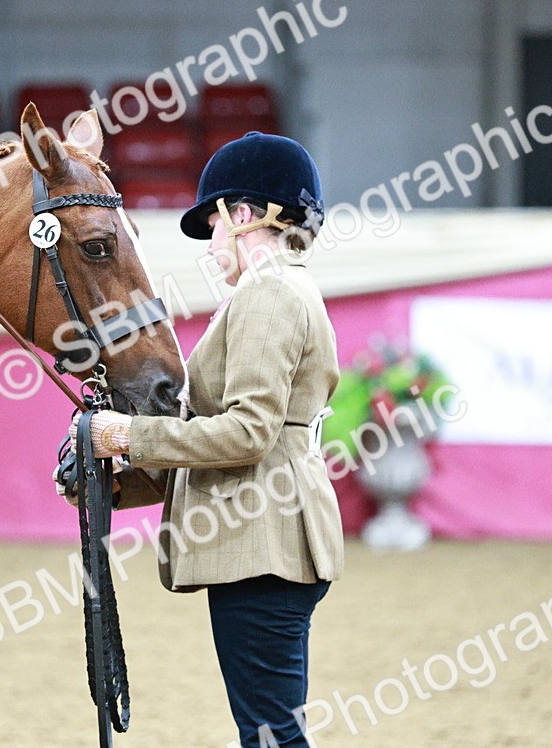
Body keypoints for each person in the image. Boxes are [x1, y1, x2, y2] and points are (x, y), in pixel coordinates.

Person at [63, 131, 344, 747]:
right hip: (271, 534)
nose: (212, 244)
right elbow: (243, 437)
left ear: (245, 215)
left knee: (270, 735)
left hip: (262, 543)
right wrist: (122, 477)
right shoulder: (287, 288)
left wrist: (128, 434)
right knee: (272, 730)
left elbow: (248, 433)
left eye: (214, 223)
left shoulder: (267, 293)